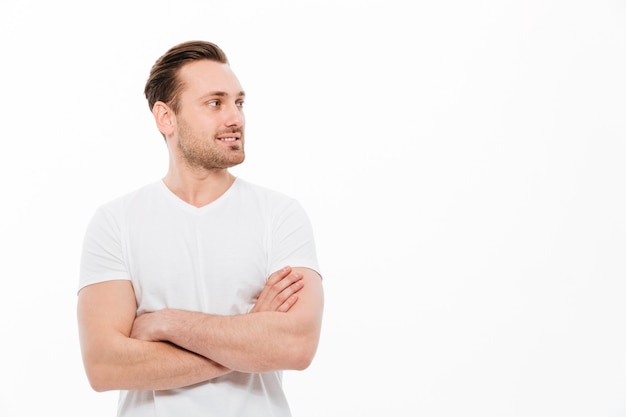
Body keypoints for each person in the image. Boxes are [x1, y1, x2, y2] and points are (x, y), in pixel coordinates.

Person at [77, 40, 324, 417]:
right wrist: (248, 339)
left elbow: (295, 347)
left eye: (239, 103)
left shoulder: (280, 215)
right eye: (215, 103)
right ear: (166, 117)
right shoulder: (116, 222)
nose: (235, 118)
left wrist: (165, 323)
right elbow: (105, 366)